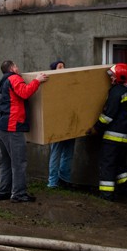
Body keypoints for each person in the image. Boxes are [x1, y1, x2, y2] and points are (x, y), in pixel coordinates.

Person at [0, 60, 48, 203]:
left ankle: (3, 191)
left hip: (0, 127)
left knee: (5, 161)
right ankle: (18, 194)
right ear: (12, 68)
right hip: (12, 127)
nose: (18, 68)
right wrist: (37, 80)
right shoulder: (14, 78)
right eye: (16, 65)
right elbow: (24, 93)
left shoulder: (4, 82)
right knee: (19, 162)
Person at [86, 63, 127, 201]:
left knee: (107, 164)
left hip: (114, 137)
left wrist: (96, 128)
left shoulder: (116, 91)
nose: (111, 79)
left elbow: (107, 116)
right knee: (120, 163)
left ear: (120, 77)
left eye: (113, 76)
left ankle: (106, 194)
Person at [47, 59, 75, 189]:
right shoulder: (51, 84)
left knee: (68, 153)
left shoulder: (70, 83)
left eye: (64, 66)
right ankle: (52, 182)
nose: (63, 68)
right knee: (56, 152)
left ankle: (64, 179)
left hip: (70, 123)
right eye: (59, 67)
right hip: (57, 124)